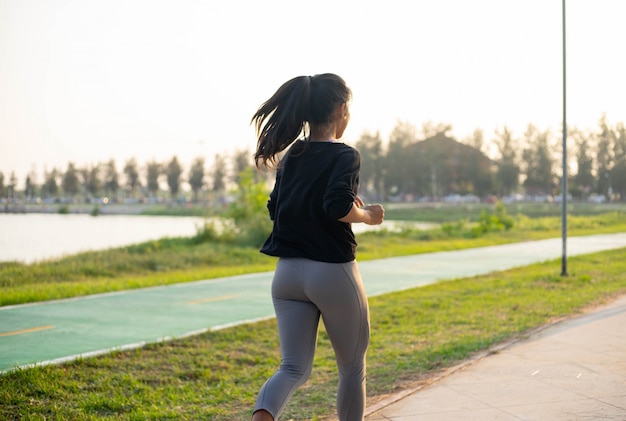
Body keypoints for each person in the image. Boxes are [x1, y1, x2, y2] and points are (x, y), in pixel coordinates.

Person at [250, 73, 384, 421]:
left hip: (287, 276)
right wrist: (368, 215)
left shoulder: (293, 155)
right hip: (331, 272)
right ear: (341, 109)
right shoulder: (346, 156)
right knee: (352, 367)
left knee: (292, 368)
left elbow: (273, 207)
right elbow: (338, 206)